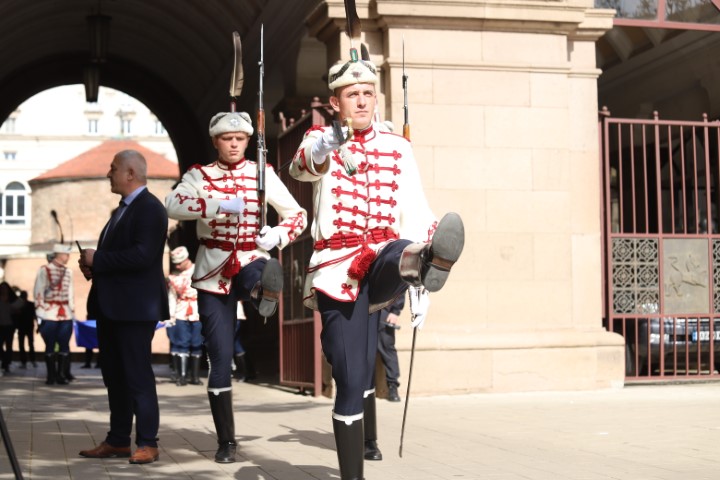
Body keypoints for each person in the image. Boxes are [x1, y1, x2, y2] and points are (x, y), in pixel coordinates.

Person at [289, 53, 465, 479]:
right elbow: (301, 167)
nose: (363, 101)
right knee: (349, 376)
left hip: (386, 258)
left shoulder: (397, 147)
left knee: (399, 247)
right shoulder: (319, 141)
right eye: (353, 95)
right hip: (337, 268)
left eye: (368, 93)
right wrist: (328, 145)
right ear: (336, 102)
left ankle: (423, 264)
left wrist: (422, 284)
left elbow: (417, 210)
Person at [165, 111, 307, 463]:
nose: (233, 143)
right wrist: (219, 204)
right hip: (212, 269)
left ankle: (263, 292)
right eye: (226, 138)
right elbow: (173, 204)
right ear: (215, 141)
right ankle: (226, 440)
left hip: (250, 256)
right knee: (219, 358)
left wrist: (277, 234)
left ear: (247, 141)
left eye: (240, 139)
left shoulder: (263, 173)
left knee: (257, 272)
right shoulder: (199, 175)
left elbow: (298, 214)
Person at [77, 149, 169, 465]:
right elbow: (123, 256)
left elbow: (143, 256)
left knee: (137, 375)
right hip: (112, 307)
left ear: (130, 173)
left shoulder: (150, 208)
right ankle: (118, 440)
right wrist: (94, 266)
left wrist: (98, 259)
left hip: (134, 308)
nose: (108, 173)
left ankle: (148, 442)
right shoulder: (123, 210)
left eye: (113, 168)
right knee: (114, 375)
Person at [34, 243, 75, 385]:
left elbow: (70, 293)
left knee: (64, 344)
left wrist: (72, 310)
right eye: (67, 254)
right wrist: (40, 314)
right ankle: (51, 375)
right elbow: (38, 292)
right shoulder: (44, 270)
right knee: (50, 345)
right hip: (49, 313)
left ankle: (62, 375)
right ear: (60, 255)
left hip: (65, 314)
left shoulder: (69, 272)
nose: (68, 257)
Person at [167, 246, 203, 386]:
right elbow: (172, 297)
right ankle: (181, 376)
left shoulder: (199, 270)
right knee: (182, 343)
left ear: (186, 259)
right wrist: (170, 316)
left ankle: (194, 377)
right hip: (181, 312)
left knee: (196, 343)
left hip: (197, 312)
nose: (176, 266)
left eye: (179, 263)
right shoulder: (175, 277)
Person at [374, 294, 405, 404]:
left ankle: (393, 386)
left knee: (387, 349)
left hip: (384, 310)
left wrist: (395, 311)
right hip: (363, 309)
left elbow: (400, 284)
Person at [0, 282, 22, 375]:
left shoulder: (12, 300)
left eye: (5, 288)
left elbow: (19, 311)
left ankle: (6, 363)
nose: (3, 289)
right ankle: (5, 359)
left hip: (9, 326)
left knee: (9, 345)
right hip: (0, 326)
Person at [14, 290, 37, 369]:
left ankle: (32, 360)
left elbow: (35, 316)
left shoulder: (31, 305)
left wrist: (38, 326)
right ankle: (24, 361)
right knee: (22, 345)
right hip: (22, 327)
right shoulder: (19, 306)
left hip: (29, 327)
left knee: (30, 344)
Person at [233, 301, 255, 382]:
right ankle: (248, 373)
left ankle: (245, 373)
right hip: (234, 314)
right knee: (237, 345)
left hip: (236, 314)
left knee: (235, 344)